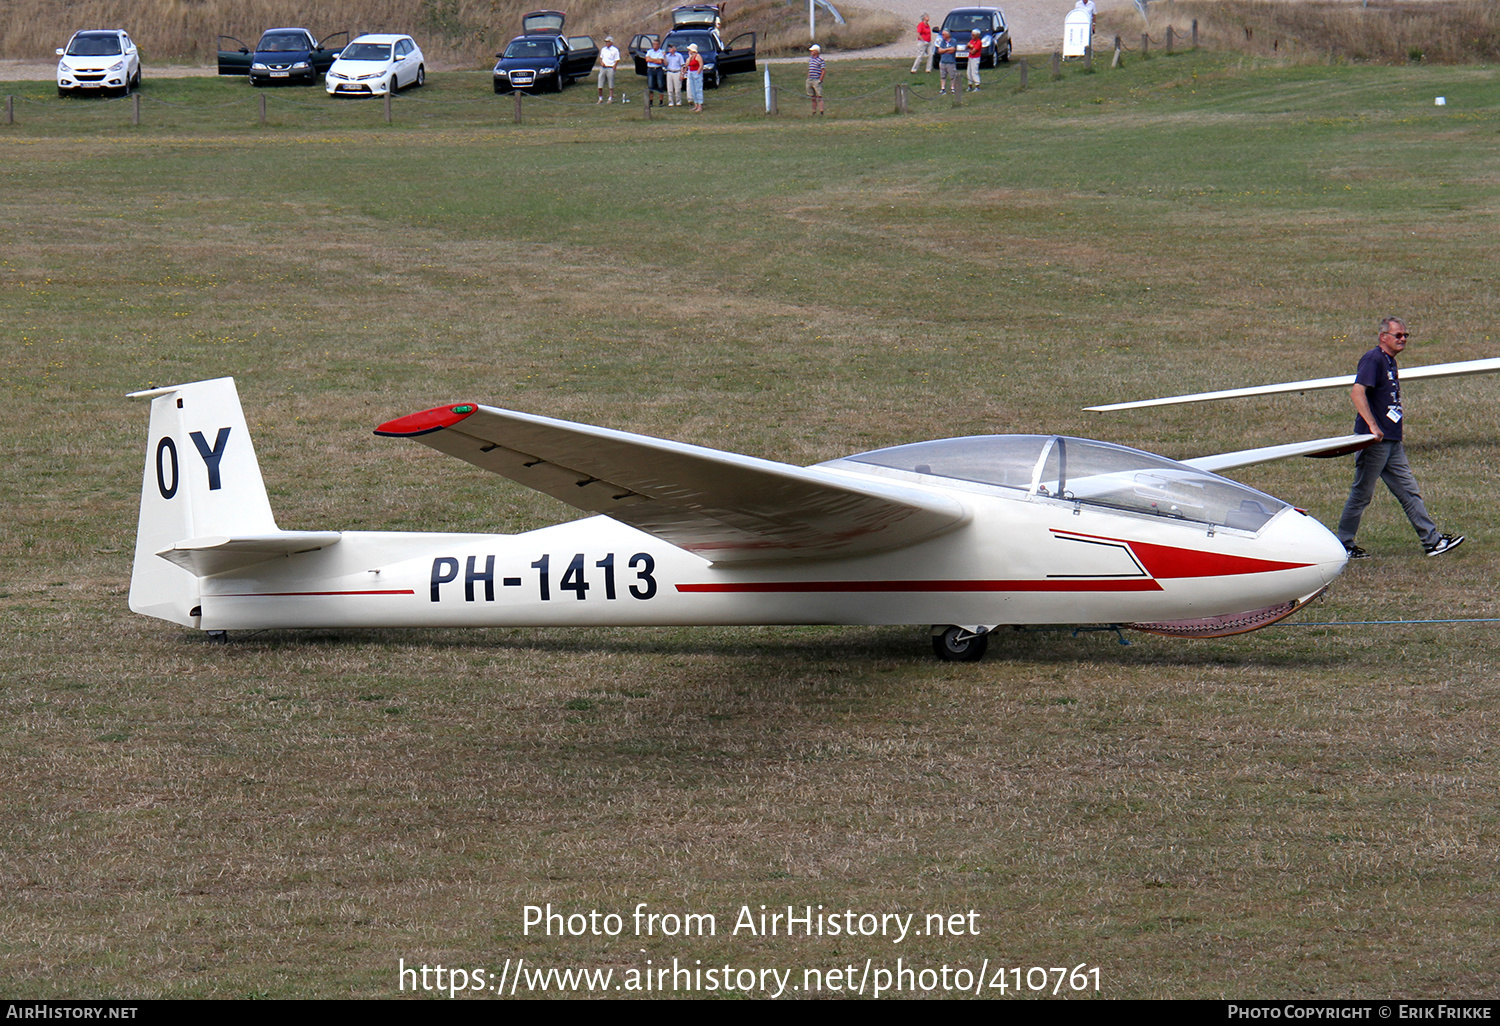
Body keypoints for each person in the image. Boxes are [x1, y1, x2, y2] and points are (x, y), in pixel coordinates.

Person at [1336, 316, 1464, 558]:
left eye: (1406, 335)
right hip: (1374, 441)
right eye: (1398, 335)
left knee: (1409, 491)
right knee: (1362, 494)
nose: (1403, 339)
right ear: (1383, 337)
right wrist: (1372, 427)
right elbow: (1357, 392)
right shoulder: (1373, 359)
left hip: (1392, 441)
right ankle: (1342, 544)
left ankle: (1432, 542)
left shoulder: (1389, 362)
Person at [596, 35, 620, 103]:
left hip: (610, 67)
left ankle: (610, 98)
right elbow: (601, 57)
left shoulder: (615, 50)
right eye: (606, 42)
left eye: (608, 42)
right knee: (600, 81)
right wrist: (601, 62)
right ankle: (600, 98)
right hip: (603, 68)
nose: (606, 43)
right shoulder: (603, 49)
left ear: (611, 42)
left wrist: (614, 67)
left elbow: (617, 59)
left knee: (611, 83)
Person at [935, 30, 959, 95]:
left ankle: (952, 88)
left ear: (948, 35)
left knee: (952, 76)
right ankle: (943, 88)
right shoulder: (943, 42)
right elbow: (939, 50)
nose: (942, 36)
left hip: (950, 62)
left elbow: (952, 50)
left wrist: (944, 50)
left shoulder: (953, 41)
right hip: (943, 61)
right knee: (942, 76)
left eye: (944, 34)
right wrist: (947, 50)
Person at [663, 42, 685, 106]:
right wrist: (664, 57)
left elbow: (682, 65)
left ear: (674, 49)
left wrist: (682, 74)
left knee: (677, 88)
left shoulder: (679, 56)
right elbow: (666, 64)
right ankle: (670, 101)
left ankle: (678, 101)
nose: (669, 49)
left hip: (677, 72)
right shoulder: (667, 56)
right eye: (669, 48)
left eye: (671, 48)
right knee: (670, 88)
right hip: (669, 72)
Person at [645, 39, 666, 106]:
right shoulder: (649, 51)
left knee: (660, 85)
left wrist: (652, 59)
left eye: (655, 44)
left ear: (658, 45)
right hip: (650, 70)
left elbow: (660, 62)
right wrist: (656, 60)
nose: (654, 45)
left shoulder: (661, 52)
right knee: (650, 86)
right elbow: (647, 59)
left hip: (658, 69)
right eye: (653, 44)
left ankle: (661, 101)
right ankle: (651, 102)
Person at [685, 43, 704, 112]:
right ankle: (696, 104)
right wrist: (690, 58)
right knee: (693, 89)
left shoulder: (698, 56)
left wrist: (698, 72)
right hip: (691, 73)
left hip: (696, 73)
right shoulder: (690, 57)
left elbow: (701, 65)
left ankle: (700, 105)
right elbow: (687, 65)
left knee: (698, 89)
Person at [806, 43, 825, 115]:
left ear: (816, 51)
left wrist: (820, 80)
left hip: (816, 80)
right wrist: (808, 78)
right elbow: (810, 70)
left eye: (812, 51)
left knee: (819, 96)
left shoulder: (821, 60)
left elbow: (823, 70)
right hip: (810, 79)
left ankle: (821, 111)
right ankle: (814, 111)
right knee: (812, 97)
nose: (811, 52)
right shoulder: (810, 60)